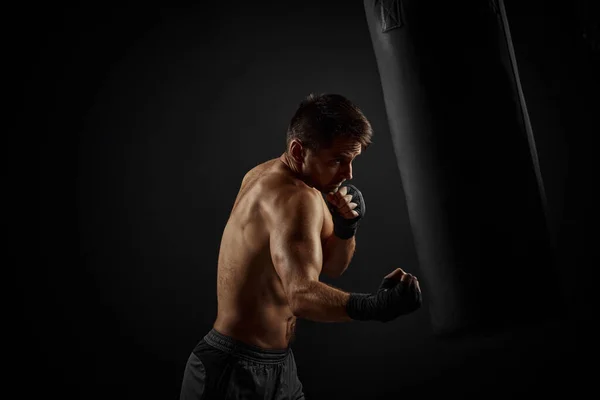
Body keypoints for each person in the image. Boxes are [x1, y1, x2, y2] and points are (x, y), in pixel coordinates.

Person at [179, 93, 422, 400]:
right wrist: (375, 307)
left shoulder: (286, 179)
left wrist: (346, 229)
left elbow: (330, 267)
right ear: (298, 149)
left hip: (279, 367)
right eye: (337, 160)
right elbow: (301, 296)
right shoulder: (294, 198)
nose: (348, 174)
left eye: (352, 160)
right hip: (233, 371)